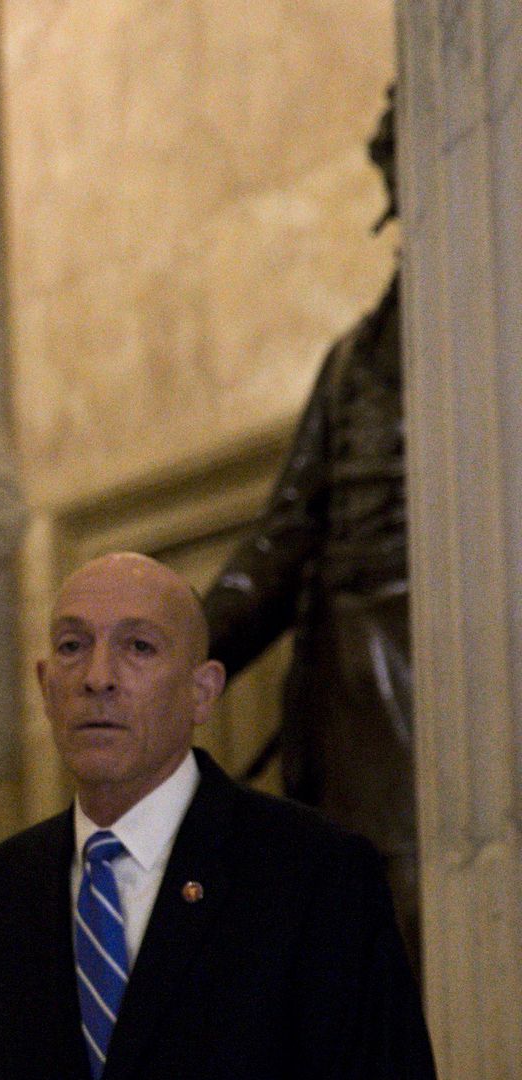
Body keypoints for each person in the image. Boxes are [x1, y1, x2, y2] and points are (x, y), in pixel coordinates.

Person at [0, 552, 433, 1080]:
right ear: (45, 686)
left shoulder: (314, 870)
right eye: (72, 646)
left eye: (139, 646)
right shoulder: (1, 888)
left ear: (202, 692)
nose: (97, 677)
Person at [202, 91, 417, 967]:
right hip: (350, 691)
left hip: (451, 665)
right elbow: (285, 536)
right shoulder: (354, 358)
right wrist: (173, 645)